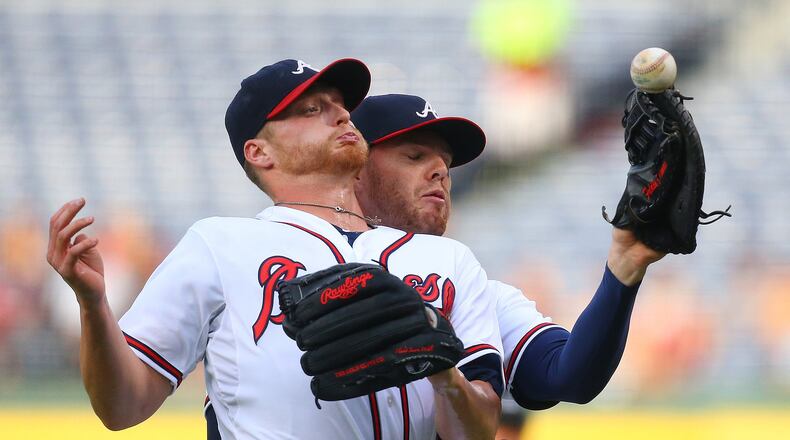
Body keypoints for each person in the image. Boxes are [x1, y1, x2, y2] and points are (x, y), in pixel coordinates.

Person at [46, 59, 504, 440]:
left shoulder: (449, 259)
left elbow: (479, 430)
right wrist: (93, 305)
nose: (341, 115)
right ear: (259, 153)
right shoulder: (219, 245)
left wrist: (441, 370)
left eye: (341, 107)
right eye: (312, 109)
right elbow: (122, 407)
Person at [350, 94, 665, 415]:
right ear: (354, 167)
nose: (441, 172)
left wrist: (623, 268)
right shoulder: (310, 255)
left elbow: (569, 376)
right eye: (414, 156)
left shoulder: (470, 293)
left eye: (446, 162)